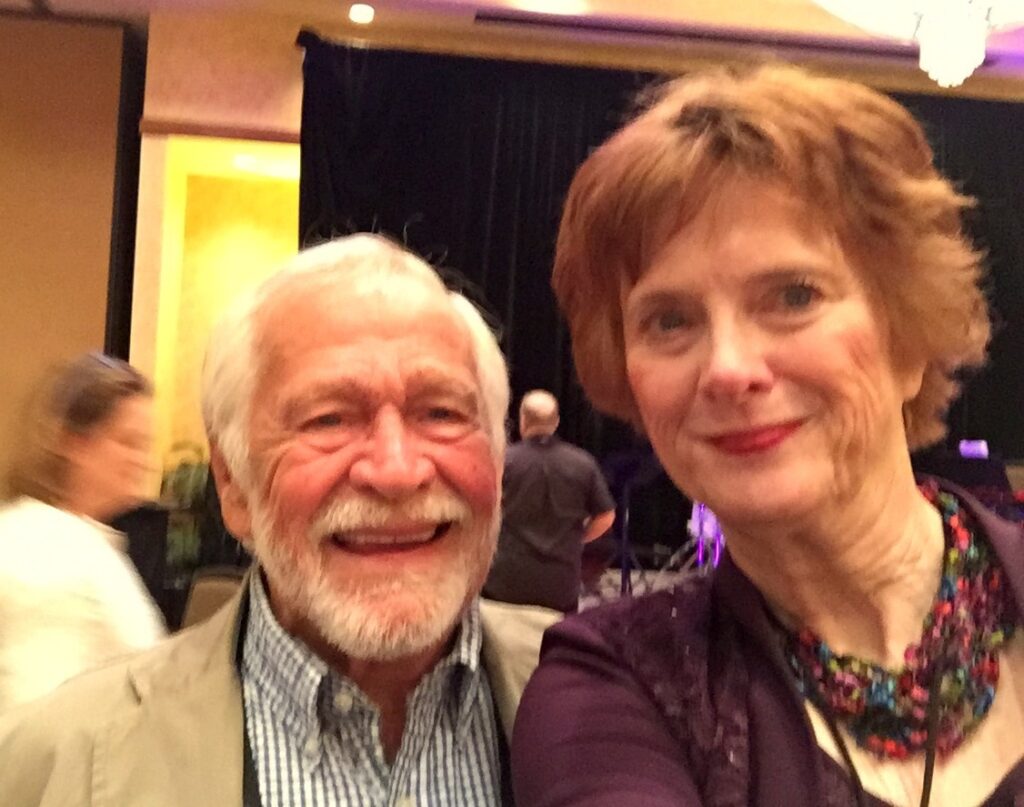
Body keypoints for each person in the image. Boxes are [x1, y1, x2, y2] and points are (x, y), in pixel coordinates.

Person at [512, 64, 1024, 807]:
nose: (728, 369)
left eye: (793, 295)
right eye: (670, 320)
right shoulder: (607, 693)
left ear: (910, 334)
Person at [0, 234, 559, 806]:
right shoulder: (50, 767)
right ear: (232, 484)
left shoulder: (599, 702)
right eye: (328, 419)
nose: (396, 470)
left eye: (441, 413)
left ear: (498, 460)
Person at [0, 353, 166, 712]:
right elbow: (37, 718)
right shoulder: (50, 554)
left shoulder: (72, 542)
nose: (145, 462)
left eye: (146, 446)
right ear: (76, 444)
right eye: (129, 443)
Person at [483, 390, 615, 612]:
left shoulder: (503, 462)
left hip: (506, 584)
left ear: (523, 420)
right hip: (560, 586)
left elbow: (480, 509)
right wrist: (578, 538)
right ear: (556, 422)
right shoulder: (582, 463)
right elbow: (606, 516)